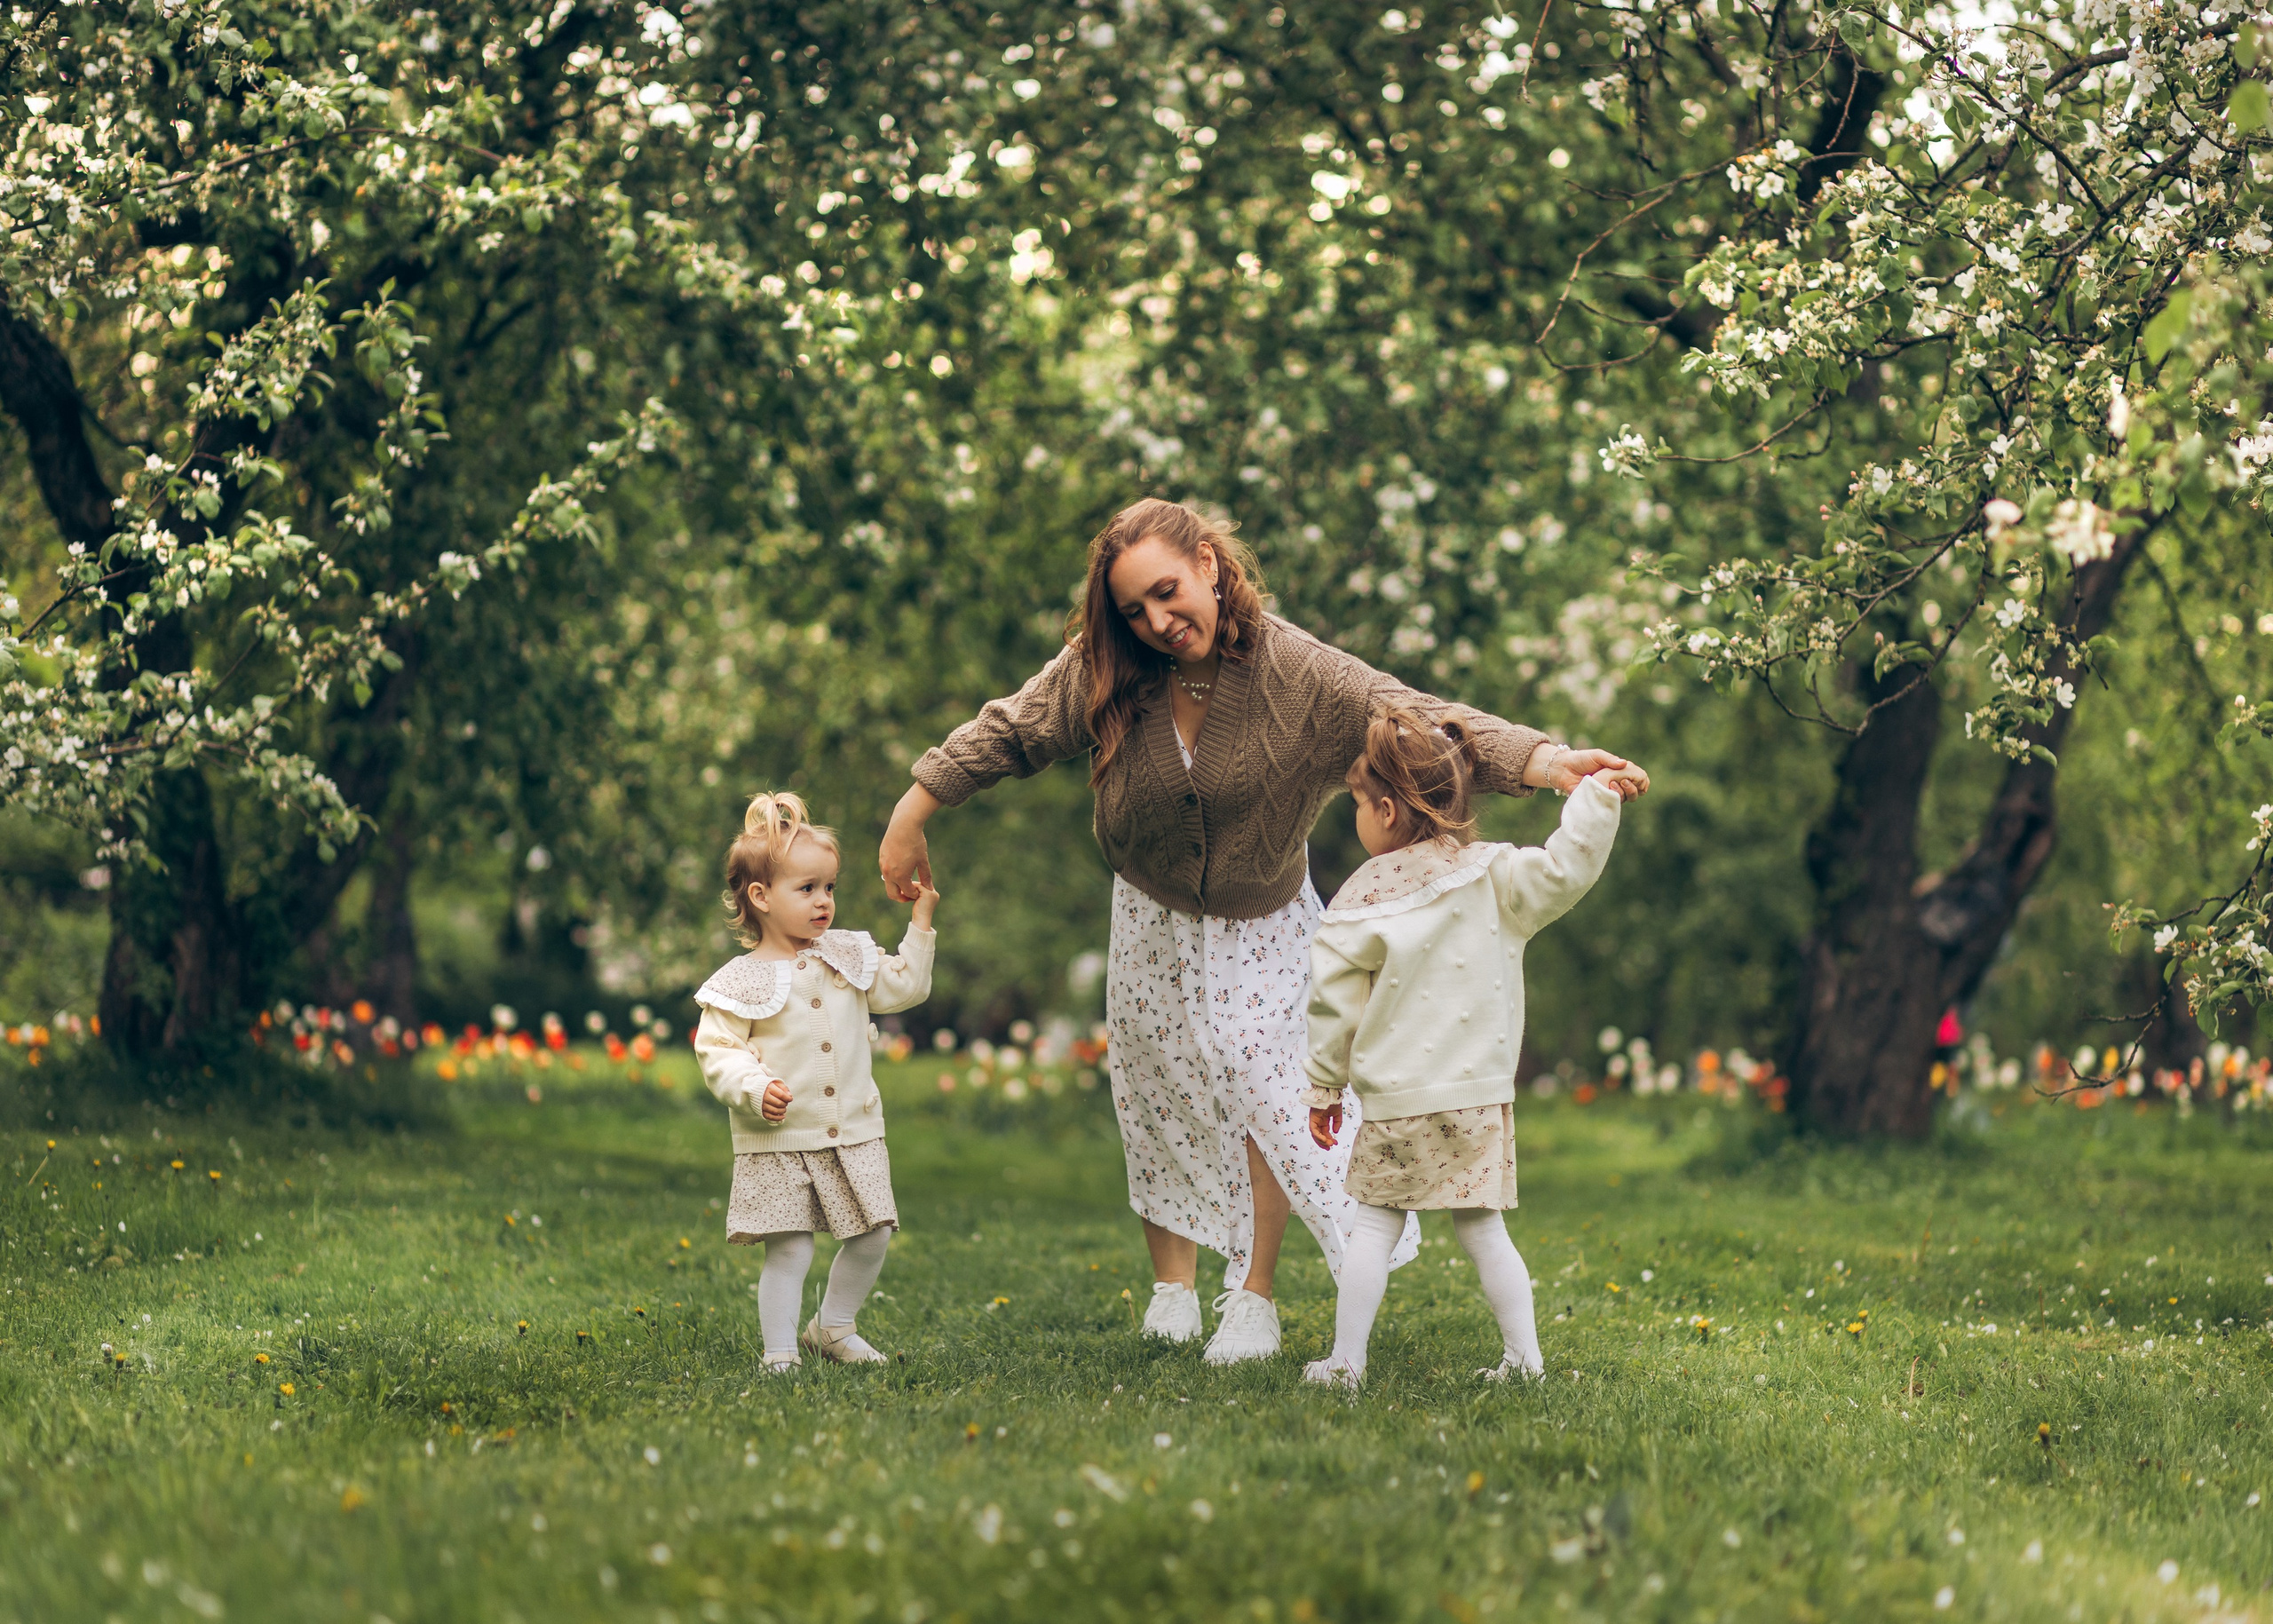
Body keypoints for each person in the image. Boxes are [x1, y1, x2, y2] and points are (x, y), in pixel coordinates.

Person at [878, 497, 1645, 1364]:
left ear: (1209, 564)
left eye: (1168, 593)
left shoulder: (1299, 675)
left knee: (1260, 1086)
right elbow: (1009, 731)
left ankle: (1252, 1291)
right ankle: (1171, 1284)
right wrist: (911, 814)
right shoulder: (1105, 666)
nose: (1158, 621)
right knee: (1158, 1085)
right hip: (1148, 907)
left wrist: (1545, 761)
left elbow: (1423, 719)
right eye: (1135, 609)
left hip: (1263, 916)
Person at [1300, 711, 1639, 1388]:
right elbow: (1566, 868)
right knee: (1484, 1232)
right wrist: (1597, 800)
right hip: (1478, 1099)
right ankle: (1525, 1360)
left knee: (1372, 1227)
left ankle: (1346, 1364)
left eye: (1359, 805)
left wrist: (1322, 1087)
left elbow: (1334, 1008)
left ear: (1389, 810)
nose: (1358, 819)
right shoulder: (1495, 877)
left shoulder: (1360, 902)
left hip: (1396, 1102)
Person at [693, 791, 939, 1371]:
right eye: (807, 889)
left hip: (852, 1128)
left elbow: (904, 987)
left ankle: (833, 1325)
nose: (823, 900)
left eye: (829, 887)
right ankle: (779, 1352)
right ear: (760, 896)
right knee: (791, 1247)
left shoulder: (847, 953)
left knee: (875, 1232)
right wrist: (754, 1088)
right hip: (780, 1138)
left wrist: (921, 923)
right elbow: (718, 1051)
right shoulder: (741, 981)